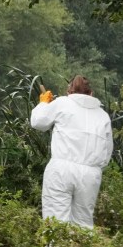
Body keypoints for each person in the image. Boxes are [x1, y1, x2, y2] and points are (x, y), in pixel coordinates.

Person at [30, 75, 113, 228]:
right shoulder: (103, 116)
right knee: (83, 224)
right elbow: (107, 152)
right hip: (90, 174)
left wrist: (43, 104)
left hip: (61, 170)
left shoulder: (62, 103)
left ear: (69, 92)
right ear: (91, 94)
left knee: (55, 222)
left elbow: (38, 122)